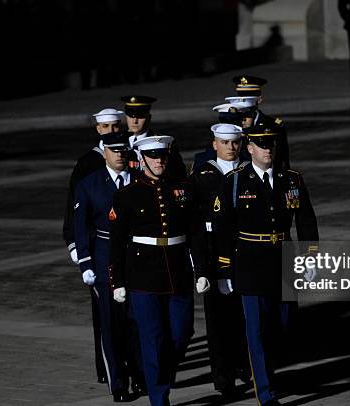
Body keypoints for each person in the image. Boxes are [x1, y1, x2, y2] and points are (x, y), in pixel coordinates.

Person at [212, 125, 319, 405]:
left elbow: (306, 220)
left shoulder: (291, 179)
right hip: (250, 262)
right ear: (249, 148)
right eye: (261, 145)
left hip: (284, 260)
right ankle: (265, 391)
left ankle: (266, 372)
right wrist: (224, 269)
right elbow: (223, 228)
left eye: (271, 144)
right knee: (256, 329)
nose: (267, 149)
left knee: (282, 325)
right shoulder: (236, 181)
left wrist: (310, 257)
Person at [109, 135, 209, 406]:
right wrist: (116, 281)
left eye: (162, 156)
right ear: (141, 160)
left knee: (181, 332)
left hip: (177, 270)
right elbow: (117, 242)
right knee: (152, 338)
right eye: (153, 156)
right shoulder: (127, 195)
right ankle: (158, 398)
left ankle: (160, 373)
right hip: (142, 275)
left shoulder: (183, 189)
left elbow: (196, 232)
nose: (159, 161)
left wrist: (201, 270)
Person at [62, 108, 124, 385]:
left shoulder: (128, 155)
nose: (111, 130)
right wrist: (77, 246)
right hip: (97, 247)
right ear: (98, 130)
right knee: (104, 314)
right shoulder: (87, 162)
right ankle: (106, 368)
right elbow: (74, 207)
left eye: (115, 126)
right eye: (106, 127)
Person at [190, 124, 251, 398]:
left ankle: (243, 365)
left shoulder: (251, 171)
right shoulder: (202, 175)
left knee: (244, 314)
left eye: (235, 142)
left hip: (246, 248)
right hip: (215, 250)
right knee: (217, 319)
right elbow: (194, 221)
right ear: (214, 145)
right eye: (225, 143)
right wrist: (198, 262)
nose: (231, 147)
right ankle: (222, 376)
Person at [74, 132, 132, 402]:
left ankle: (140, 375)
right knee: (110, 323)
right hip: (104, 255)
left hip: (135, 254)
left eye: (123, 150)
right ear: (105, 151)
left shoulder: (138, 177)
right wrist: (85, 261)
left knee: (135, 321)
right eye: (114, 150)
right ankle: (118, 383)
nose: (120, 154)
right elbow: (81, 226)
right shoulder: (90, 184)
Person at [120, 95, 187, 178]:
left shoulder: (163, 142)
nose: (135, 121)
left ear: (149, 118)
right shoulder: (118, 141)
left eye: (140, 116)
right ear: (126, 117)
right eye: (131, 116)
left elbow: (178, 172)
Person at [232, 75, 290, 170]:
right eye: (241, 96)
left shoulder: (274, 125)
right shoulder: (231, 124)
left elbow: (282, 159)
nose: (243, 101)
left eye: (249, 98)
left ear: (259, 99)